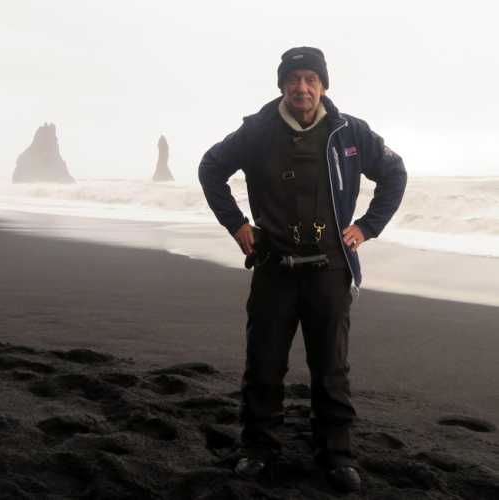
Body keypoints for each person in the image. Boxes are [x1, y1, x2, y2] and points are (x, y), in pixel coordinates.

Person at [198, 46, 407, 493]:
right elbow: (211, 167)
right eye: (293, 79)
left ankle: (336, 454)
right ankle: (258, 448)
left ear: (324, 85)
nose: (302, 87)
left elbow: (394, 173)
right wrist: (236, 225)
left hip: (330, 269)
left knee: (331, 368)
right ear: (282, 85)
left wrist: (367, 227)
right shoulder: (256, 131)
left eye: (311, 78)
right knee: (264, 363)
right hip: (273, 267)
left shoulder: (349, 132)